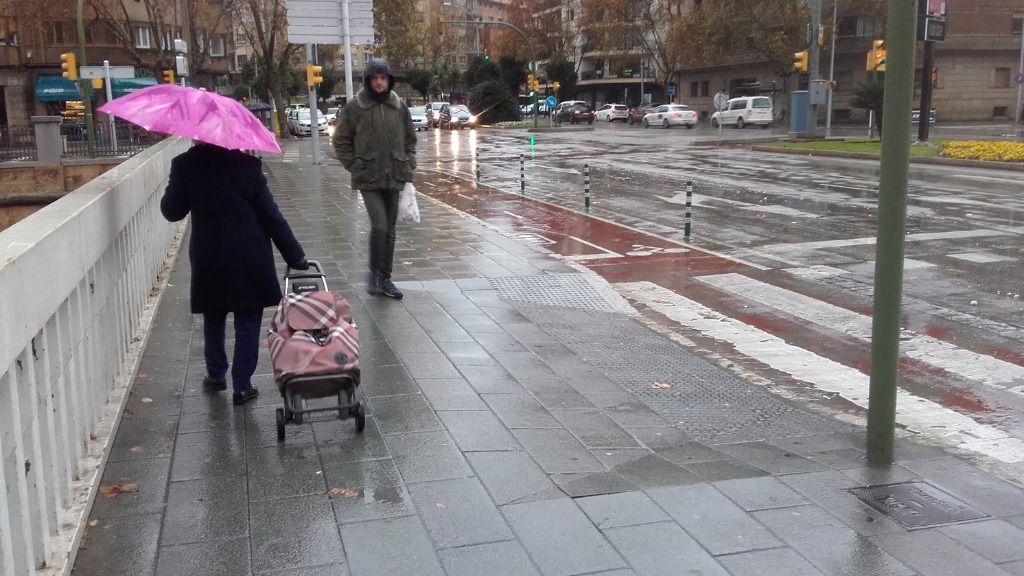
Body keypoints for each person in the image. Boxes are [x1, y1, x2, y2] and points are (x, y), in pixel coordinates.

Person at [161, 143, 308, 406]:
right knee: (248, 320)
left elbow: (172, 211)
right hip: (248, 255)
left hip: (210, 256)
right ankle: (242, 386)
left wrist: (175, 185)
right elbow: (271, 216)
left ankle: (216, 375)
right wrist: (294, 255)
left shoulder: (184, 164)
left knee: (214, 314)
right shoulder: (247, 166)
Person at [332, 58, 417, 300]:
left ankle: (385, 279)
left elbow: (411, 140)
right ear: (368, 81)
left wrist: (409, 163)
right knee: (379, 226)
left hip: (395, 174)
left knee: (390, 231)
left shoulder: (399, 107)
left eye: (383, 78)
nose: (379, 82)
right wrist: (354, 165)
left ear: (389, 80)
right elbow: (340, 140)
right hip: (368, 177)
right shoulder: (354, 108)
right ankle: (373, 274)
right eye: (375, 78)